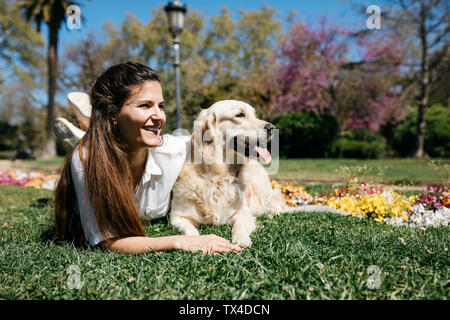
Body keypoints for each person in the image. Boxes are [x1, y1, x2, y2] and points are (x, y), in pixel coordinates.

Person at [54, 61, 242, 255]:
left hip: (117, 129)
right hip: (99, 145)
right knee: (88, 145)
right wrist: (180, 241)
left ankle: (88, 120)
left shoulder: (175, 150)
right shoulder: (87, 160)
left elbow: (215, 138)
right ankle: (88, 126)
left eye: (161, 106)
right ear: (113, 113)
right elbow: (108, 240)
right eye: (145, 105)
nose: (159, 116)